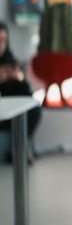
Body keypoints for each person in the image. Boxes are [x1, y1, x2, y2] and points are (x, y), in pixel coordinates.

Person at [0, 21, 42, 163]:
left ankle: (18, 150)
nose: (1, 45)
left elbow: (28, 97)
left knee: (34, 110)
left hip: (10, 114)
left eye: (3, 41)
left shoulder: (12, 61)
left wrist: (20, 79)